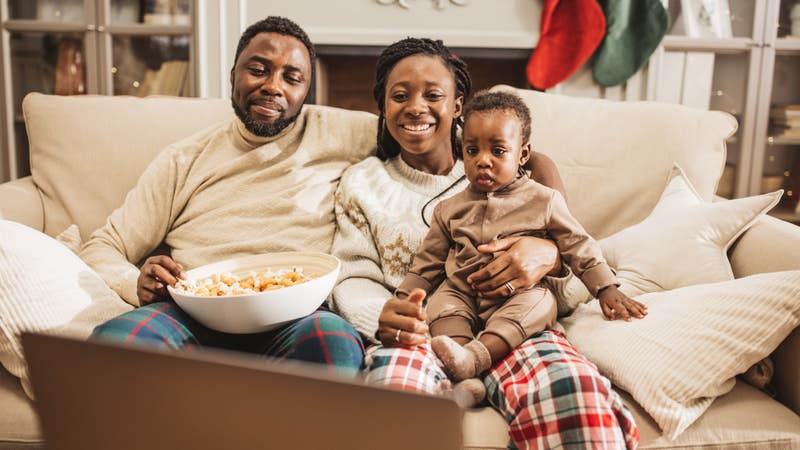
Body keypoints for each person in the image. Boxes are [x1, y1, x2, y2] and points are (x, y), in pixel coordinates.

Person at [330, 37, 640, 448]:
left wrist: (549, 258)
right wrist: (390, 315)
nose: (416, 107)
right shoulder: (362, 182)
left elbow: (575, 258)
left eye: (434, 95)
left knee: (575, 400)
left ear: (458, 104)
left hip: (519, 328)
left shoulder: (530, 178)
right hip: (426, 330)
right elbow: (353, 276)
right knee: (399, 401)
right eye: (399, 96)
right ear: (382, 106)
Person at [82, 16, 378, 375]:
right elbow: (104, 246)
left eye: (292, 78)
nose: (273, 86)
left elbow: (426, 134)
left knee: (335, 347)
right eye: (258, 70)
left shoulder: (343, 132)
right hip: (194, 310)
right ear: (233, 75)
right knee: (115, 345)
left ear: (307, 92)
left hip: (299, 313)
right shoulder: (184, 159)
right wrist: (135, 283)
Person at [394, 90, 647, 405]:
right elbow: (426, 264)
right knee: (441, 306)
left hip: (518, 294)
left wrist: (606, 288)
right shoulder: (448, 209)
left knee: (540, 304)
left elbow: (577, 244)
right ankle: (463, 371)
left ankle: (474, 358)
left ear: (523, 154)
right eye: (472, 150)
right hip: (462, 288)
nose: (483, 161)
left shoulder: (543, 200)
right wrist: (405, 299)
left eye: (498, 151)